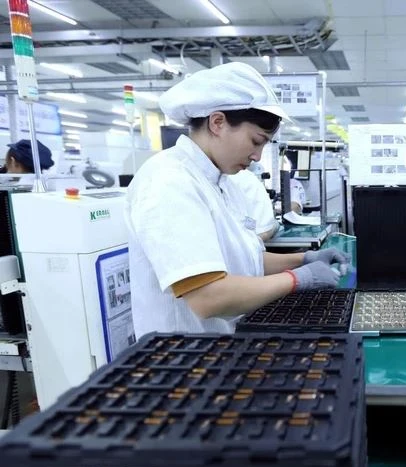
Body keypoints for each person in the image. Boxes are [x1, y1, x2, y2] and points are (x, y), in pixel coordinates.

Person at [125, 62, 349, 336]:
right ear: (217, 122)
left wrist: (304, 258)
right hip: (183, 358)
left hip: (223, 346)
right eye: (256, 141)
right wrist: (297, 278)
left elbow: (246, 260)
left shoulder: (224, 182)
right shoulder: (167, 180)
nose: (257, 156)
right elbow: (208, 297)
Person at [230, 161, 279, 242]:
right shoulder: (246, 179)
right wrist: (275, 225)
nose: (257, 157)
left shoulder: (245, 179)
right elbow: (263, 231)